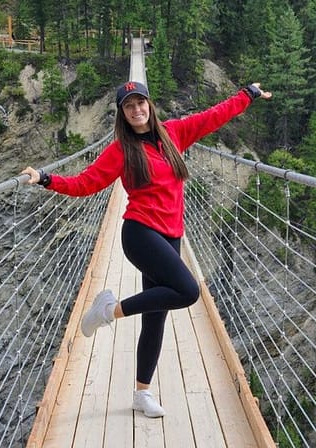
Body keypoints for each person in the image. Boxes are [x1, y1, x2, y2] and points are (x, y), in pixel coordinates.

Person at [21, 80, 272, 418]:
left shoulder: (174, 133)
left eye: (141, 102)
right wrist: (46, 179)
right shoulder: (121, 150)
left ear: (150, 105)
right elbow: (85, 184)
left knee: (156, 319)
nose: (137, 110)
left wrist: (247, 95)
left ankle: (142, 393)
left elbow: (214, 116)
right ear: (122, 114)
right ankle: (108, 310)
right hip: (140, 233)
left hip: (171, 235)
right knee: (187, 291)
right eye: (129, 106)